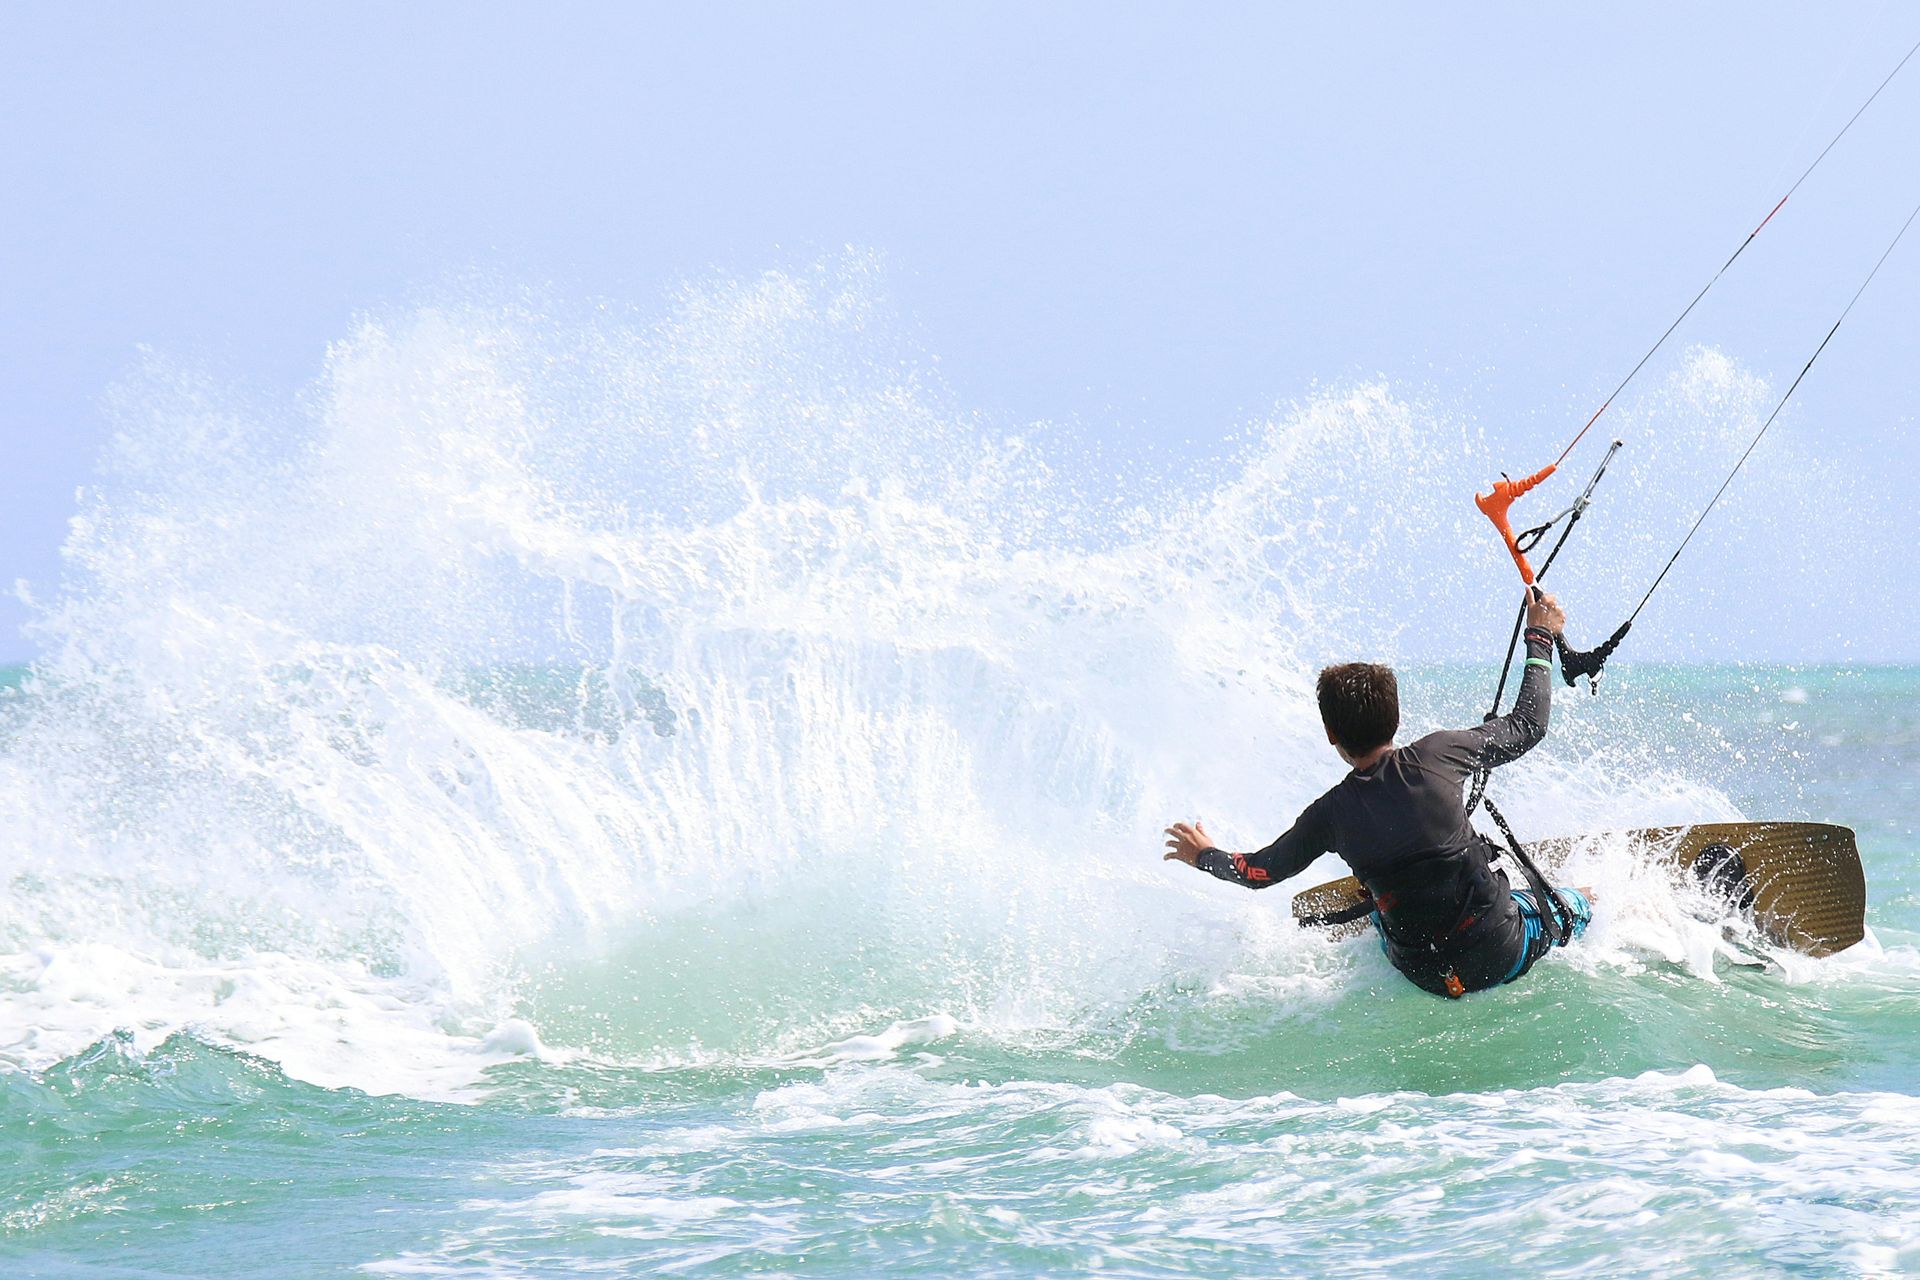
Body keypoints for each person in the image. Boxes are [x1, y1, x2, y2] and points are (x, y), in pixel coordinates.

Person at [1163, 587, 1592, 998]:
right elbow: (1527, 726)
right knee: (1579, 900)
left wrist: (1202, 855)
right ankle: (1594, 904)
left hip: (1422, 975)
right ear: (1396, 717)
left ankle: (1380, 907)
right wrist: (1539, 635)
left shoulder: (1329, 815)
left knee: (1382, 900)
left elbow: (1259, 872)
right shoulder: (1440, 754)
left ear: (1331, 735)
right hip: (1500, 952)